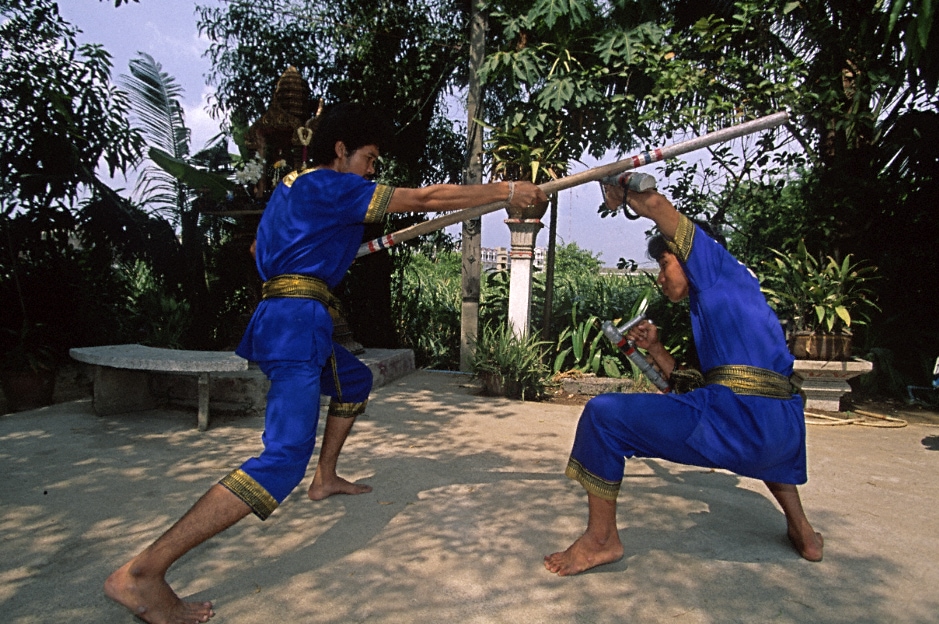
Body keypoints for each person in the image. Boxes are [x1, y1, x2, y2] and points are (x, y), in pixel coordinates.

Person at [104, 101, 548, 623]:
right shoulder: (327, 184)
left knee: (353, 379)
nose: (372, 169)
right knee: (282, 458)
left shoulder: (290, 189)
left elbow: (257, 252)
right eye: (368, 157)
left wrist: (327, 250)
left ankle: (326, 477)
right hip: (295, 322)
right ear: (340, 151)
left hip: (289, 314)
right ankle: (143, 573)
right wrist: (507, 192)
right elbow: (425, 197)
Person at [544, 177, 823, 577]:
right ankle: (804, 532)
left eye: (663, 263)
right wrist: (655, 351)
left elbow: (657, 205)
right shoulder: (730, 299)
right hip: (781, 436)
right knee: (742, 414)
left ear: (688, 255)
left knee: (603, 416)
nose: (659, 277)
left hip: (741, 425)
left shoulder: (714, 266)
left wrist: (622, 191)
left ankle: (601, 540)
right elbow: (699, 388)